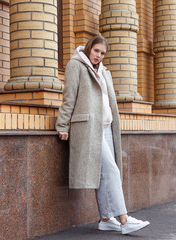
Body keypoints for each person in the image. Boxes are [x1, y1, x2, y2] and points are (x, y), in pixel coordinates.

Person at [56, 35, 150, 234]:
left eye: (102, 53)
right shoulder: (76, 65)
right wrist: (62, 125)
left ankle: (106, 218)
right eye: (96, 50)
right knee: (112, 171)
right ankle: (124, 219)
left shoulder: (105, 72)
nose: (98, 55)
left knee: (105, 175)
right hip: (89, 128)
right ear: (89, 48)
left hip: (106, 127)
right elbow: (69, 97)